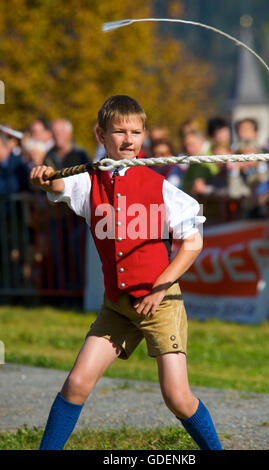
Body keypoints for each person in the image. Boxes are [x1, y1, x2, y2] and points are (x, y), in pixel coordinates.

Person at [30, 95, 222, 451]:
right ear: (101, 134)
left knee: (177, 397)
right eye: (119, 131)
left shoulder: (160, 187)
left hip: (161, 304)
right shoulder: (89, 181)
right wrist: (46, 178)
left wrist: (161, 288)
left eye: (136, 131)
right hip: (117, 305)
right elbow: (59, 188)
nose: (129, 139)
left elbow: (192, 244)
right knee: (76, 383)